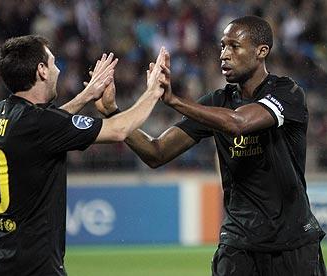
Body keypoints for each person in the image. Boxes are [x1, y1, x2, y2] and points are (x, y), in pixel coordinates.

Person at [96, 16, 327, 275]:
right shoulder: (216, 102)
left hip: (293, 243)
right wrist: (113, 112)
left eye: (234, 46)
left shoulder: (288, 93)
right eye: (222, 46)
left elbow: (239, 122)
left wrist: (174, 101)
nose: (224, 55)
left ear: (261, 51)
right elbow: (156, 152)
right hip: (239, 245)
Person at [0, 35, 166, 276]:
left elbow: (48, 128)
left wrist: (85, 96)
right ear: (41, 70)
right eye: (53, 63)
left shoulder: (0, 112)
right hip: (32, 265)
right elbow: (119, 130)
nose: (58, 70)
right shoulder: (40, 125)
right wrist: (153, 92)